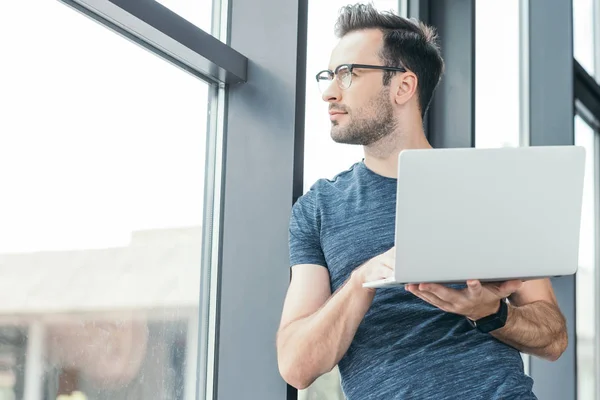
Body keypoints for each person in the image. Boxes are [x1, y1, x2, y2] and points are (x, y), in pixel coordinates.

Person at [276, 3, 568, 399]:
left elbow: (553, 337)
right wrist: (363, 280)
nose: (329, 91)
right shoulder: (319, 208)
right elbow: (297, 366)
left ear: (403, 86)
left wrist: (491, 312)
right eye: (328, 76)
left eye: (347, 74)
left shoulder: (485, 188)